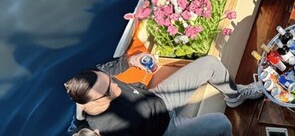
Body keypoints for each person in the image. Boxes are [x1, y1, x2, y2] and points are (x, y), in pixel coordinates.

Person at [65, 53, 262, 136]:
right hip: (166, 129)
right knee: (222, 123)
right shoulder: (103, 129)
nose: (115, 85)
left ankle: (234, 97)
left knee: (210, 63)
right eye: (109, 89)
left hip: (157, 98)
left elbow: (110, 68)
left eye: (109, 79)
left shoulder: (97, 79)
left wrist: (133, 60)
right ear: (94, 102)